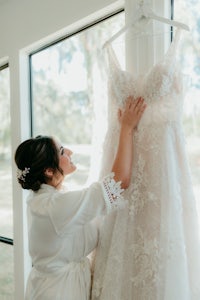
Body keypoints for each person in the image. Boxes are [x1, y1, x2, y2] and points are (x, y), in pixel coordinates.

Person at [14, 96, 146, 300]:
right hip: (58, 293)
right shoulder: (53, 206)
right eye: (61, 151)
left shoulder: (42, 198)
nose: (70, 151)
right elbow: (118, 183)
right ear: (49, 171)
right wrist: (127, 128)